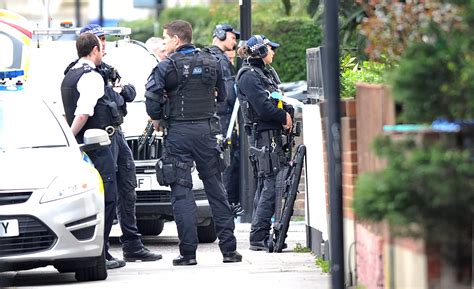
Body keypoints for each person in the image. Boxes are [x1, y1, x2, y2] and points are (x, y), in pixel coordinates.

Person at [144, 20, 242, 265]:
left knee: (182, 193)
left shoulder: (167, 66)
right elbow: (225, 96)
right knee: (216, 189)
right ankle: (229, 251)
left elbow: (152, 99)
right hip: (207, 131)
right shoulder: (212, 61)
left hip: (178, 133)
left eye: (166, 39)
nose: (164, 43)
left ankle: (188, 254)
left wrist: (158, 118)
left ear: (177, 40)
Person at [77, 24, 163, 268]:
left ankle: (132, 245)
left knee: (127, 188)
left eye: (104, 38)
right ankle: (100, 249)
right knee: (106, 195)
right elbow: (111, 98)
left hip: (119, 134)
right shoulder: (86, 71)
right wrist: (117, 92)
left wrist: (118, 90)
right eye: (100, 39)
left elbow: (130, 91)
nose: (104, 43)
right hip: (99, 137)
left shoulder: (106, 68)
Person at [60, 32, 120, 268]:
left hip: (82, 145)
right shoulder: (91, 77)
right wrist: (71, 137)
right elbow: (83, 112)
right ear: (94, 50)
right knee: (107, 197)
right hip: (95, 143)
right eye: (101, 49)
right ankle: (101, 253)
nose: (102, 53)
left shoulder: (69, 74)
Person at [235, 35, 293, 251]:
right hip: (263, 136)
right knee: (270, 184)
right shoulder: (249, 76)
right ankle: (258, 238)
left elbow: (277, 99)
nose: (274, 52)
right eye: (270, 49)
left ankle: (260, 236)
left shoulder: (264, 72)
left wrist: (286, 113)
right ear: (259, 51)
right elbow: (263, 108)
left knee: (268, 183)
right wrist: (283, 117)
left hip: (271, 135)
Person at [205, 24, 242, 217]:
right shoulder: (219, 59)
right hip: (223, 117)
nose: (235, 42)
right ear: (219, 35)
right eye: (232, 37)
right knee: (225, 162)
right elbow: (227, 94)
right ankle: (226, 207)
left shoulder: (209, 56)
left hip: (215, 117)